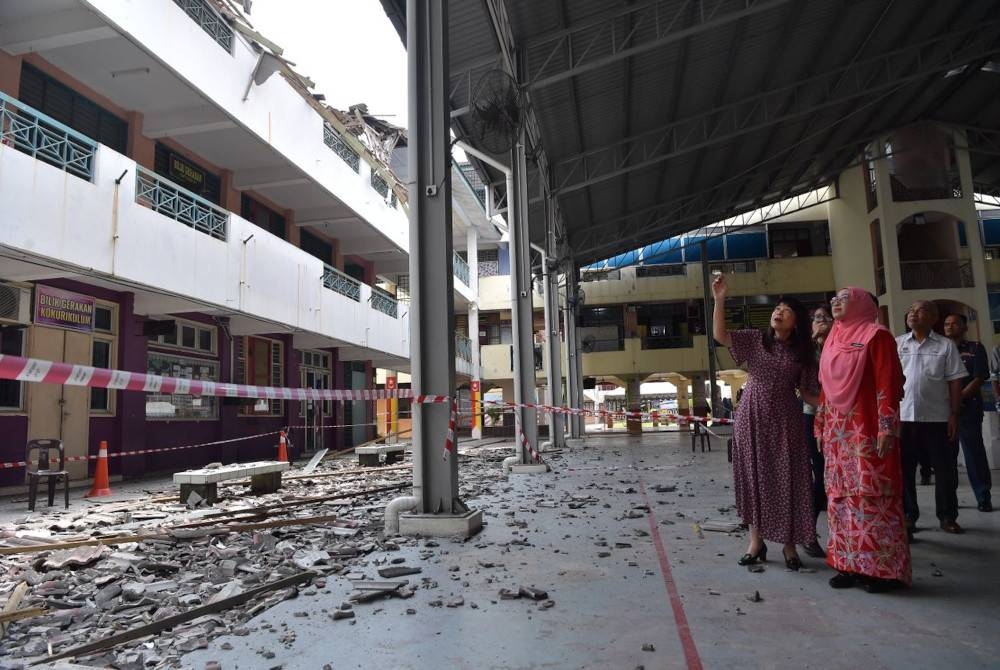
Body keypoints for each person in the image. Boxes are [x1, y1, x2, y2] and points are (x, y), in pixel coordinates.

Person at [711, 273, 819, 571]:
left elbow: (809, 393)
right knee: (754, 477)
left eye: (785, 310)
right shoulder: (756, 340)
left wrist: (840, 409)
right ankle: (756, 542)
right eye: (776, 308)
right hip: (751, 416)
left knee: (789, 479)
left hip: (786, 420)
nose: (778, 312)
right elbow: (721, 336)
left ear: (796, 321)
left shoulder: (803, 353)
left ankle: (789, 545)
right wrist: (720, 300)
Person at [816, 288, 910, 592]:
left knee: (872, 496)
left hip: (867, 430)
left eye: (844, 297)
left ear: (861, 303)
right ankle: (846, 564)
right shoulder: (833, 338)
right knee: (840, 498)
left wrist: (887, 427)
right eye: (834, 299)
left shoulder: (876, 335)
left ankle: (881, 570)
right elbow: (825, 387)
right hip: (837, 434)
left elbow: (889, 382)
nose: (836, 302)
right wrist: (820, 425)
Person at [897, 300, 966, 535]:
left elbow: (955, 381)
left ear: (933, 318)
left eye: (920, 310)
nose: (913, 313)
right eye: (911, 310)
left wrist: (954, 414)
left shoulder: (945, 346)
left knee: (945, 469)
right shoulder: (898, 344)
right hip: (904, 418)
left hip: (938, 417)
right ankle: (908, 515)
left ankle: (947, 516)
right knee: (905, 469)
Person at [943, 313, 993, 512]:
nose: (950, 327)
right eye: (947, 324)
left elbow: (979, 377)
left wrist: (958, 397)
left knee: (974, 453)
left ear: (964, 327)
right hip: (943, 411)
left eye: (955, 323)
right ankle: (949, 500)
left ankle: (983, 496)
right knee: (947, 457)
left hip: (968, 409)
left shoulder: (975, 348)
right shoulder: (940, 348)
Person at [801, 304, 832, 558]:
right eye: (816, 318)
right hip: (813, 416)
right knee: (821, 476)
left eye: (825, 318)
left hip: (845, 419)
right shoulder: (807, 350)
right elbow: (801, 383)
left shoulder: (842, 344)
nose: (820, 321)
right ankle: (807, 533)